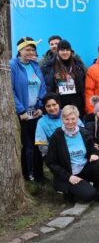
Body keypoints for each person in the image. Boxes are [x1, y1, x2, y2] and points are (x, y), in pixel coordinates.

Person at [45, 105, 99, 202]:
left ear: (77, 118)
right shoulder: (57, 136)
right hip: (68, 175)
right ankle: (70, 191)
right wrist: (68, 177)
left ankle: (97, 191)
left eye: (73, 119)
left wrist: (94, 154)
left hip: (84, 170)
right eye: (67, 119)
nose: (70, 122)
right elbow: (50, 162)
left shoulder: (83, 132)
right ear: (62, 119)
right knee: (88, 195)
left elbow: (93, 149)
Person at [11, 37, 46, 182]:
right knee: (26, 147)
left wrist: (40, 105)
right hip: (22, 115)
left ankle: (39, 175)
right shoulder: (13, 65)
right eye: (28, 50)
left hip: (36, 113)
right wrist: (20, 110)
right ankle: (26, 175)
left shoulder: (35, 65)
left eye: (33, 50)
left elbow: (42, 86)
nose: (31, 52)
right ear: (20, 50)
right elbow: (10, 90)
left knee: (38, 145)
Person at [42, 40, 87, 118]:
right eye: (62, 50)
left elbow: (83, 83)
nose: (65, 52)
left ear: (70, 51)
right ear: (58, 51)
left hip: (77, 104)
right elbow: (48, 86)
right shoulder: (49, 66)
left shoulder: (78, 64)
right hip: (59, 104)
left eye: (67, 50)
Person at [35, 93, 84, 158]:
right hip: (55, 155)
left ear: (59, 104)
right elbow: (42, 146)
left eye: (54, 105)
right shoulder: (41, 122)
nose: (52, 108)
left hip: (76, 150)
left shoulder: (69, 113)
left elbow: (83, 132)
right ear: (45, 107)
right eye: (48, 106)